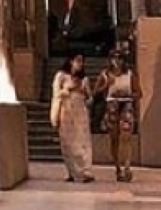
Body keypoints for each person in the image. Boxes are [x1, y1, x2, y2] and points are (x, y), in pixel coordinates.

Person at [95, 45, 142, 182]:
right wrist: (107, 84)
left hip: (126, 104)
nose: (117, 61)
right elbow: (95, 91)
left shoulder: (130, 74)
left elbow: (139, 92)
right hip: (112, 105)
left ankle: (127, 166)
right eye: (114, 58)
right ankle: (117, 167)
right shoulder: (105, 74)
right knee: (114, 138)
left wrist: (128, 95)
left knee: (126, 137)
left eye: (119, 58)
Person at [51, 54, 94, 183]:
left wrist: (84, 93)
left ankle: (84, 172)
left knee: (82, 142)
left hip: (80, 113)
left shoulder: (84, 79)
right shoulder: (61, 76)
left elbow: (90, 98)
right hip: (67, 111)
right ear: (71, 61)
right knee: (68, 142)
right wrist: (68, 89)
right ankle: (72, 171)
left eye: (82, 61)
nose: (80, 64)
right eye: (78, 61)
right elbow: (56, 94)